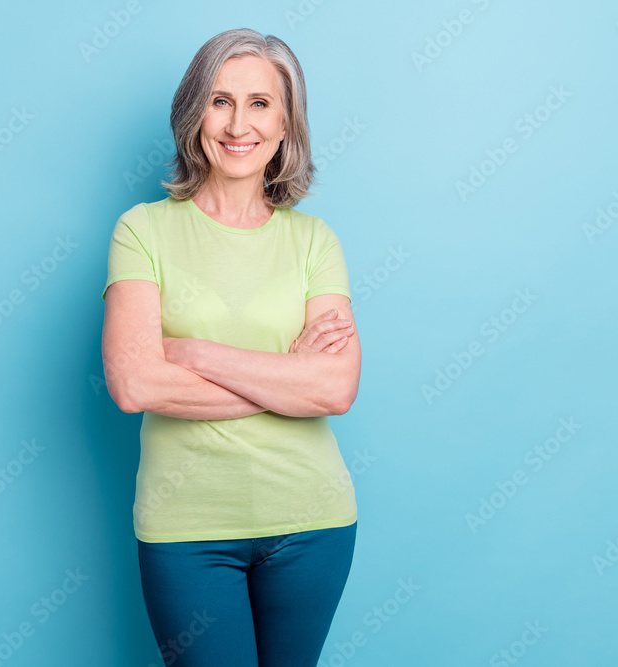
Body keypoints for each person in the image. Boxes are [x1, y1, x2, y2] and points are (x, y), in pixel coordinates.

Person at [100, 27, 362, 667]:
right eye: (219, 101)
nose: (237, 123)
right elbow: (135, 385)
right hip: (187, 530)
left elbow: (334, 389)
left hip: (314, 523)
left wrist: (192, 354)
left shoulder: (314, 242)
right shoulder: (143, 231)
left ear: (285, 125)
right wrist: (285, 380)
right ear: (194, 115)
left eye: (260, 103)